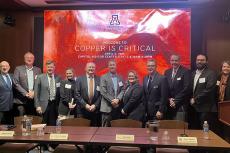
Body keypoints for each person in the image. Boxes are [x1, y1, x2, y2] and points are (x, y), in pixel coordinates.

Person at [189, 54, 217, 130]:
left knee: (206, 132)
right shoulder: (192, 73)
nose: (199, 61)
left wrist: (195, 99)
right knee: (195, 131)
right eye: (198, 60)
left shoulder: (211, 73)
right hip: (194, 108)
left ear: (206, 61)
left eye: (202, 60)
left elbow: (209, 90)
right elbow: (191, 89)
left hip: (206, 108)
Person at [34, 60, 61, 126]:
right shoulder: (40, 77)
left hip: (54, 105)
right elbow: (36, 93)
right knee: (43, 124)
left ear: (54, 68)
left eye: (51, 67)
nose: (50, 68)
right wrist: (37, 106)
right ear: (46, 67)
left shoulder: (58, 78)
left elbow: (60, 92)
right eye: (48, 67)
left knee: (53, 124)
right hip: (43, 105)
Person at [164, 54, 191, 121]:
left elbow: (186, 88)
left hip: (180, 104)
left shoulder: (185, 71)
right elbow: (165, 88)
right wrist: (169, 99)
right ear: (170, 61)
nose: (174, 62)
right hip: (169, 104)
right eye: (172, 60)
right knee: (170, 127)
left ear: (179, 61)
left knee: (179, 127)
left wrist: (175, 101)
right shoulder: (167, 72)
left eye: (176, 60)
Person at [75, 62, 101, 126]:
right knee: (82, 131)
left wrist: (95, 105)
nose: (91, 68)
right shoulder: (79, 79)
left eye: (93, 67)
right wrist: (85, 105)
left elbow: (101, 95)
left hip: (95, 110)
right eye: (89, 67)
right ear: (85, 68)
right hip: (82, 110)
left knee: (94, 131)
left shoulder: (99, 79)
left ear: (95, 69)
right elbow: (77, 94)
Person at [100, 60, 125, 127]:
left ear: (116, 66)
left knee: (116, 128)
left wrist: (118, 99)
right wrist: (113, 100)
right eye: (110, 65)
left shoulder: (120, 77)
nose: (112, 66)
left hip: (117, 108)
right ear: (108, 66)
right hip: (107, 108)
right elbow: (103, 91)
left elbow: (123, 90)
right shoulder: (103, 77)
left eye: (113, 65)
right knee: (105, 130)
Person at [217, 61, 230, 145]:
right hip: (219, 105)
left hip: (228, 105)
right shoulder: (218, 77)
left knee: (227, 127)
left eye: (228, 67)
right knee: (220, 126)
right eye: (224, 66)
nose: (226, 68)